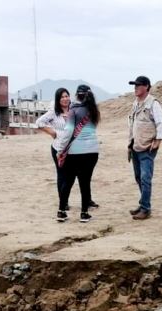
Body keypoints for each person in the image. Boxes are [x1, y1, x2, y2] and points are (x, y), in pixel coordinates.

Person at [54, 84, 101, 223]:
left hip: (74, 152)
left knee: (67, 181)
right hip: (92, 151)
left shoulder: (73, 111)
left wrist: (60, 149)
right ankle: (84, 213)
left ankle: (61, 211)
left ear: (76, 95)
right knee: (85, 182)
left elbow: (68, 132)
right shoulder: (94, 110)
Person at [127, 75, 162, 220]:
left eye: (138, 85)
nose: (135, 88)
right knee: (139, 177)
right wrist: (129, 144)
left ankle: (145, 209)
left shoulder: (153, 103)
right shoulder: (136, 103)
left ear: (146, 87)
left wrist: (157, 141)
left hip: (147, 147)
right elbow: (132, 125)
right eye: (135, 85)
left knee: (145, 178)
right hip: (136, 146)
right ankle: (143, 204)